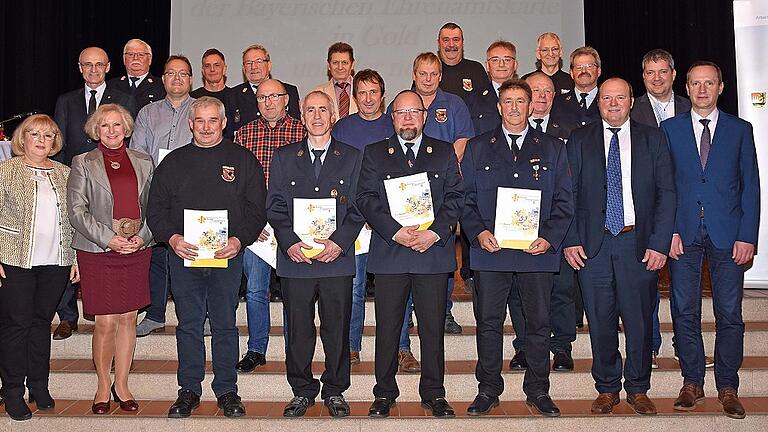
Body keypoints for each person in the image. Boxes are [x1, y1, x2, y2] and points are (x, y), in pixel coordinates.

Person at [147, 96, 267, 418]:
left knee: (225, 323)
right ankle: (189, 390)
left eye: (212, 120)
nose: (206, 127)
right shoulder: (173, 162)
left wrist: (240, 240)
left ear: (223, 123)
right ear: (191, 123)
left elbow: (257, 209)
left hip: (227, 257)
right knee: (188, 324)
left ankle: (227, 390)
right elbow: (155, 209)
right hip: (184, 257)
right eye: (199, 121)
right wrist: (171, 238)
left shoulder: (242, 160)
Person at [564, 78, 676, 415]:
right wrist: (570, 239)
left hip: (637, 243)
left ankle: (638, 388)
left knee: (639, 318)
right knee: (599, 318)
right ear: (598, 102)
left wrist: (659, 243)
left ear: (631, 102)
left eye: (620, 98)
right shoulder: (579, 139)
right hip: (592, 246)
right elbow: (566, 193)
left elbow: (666, 193)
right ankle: (608, 387)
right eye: (607, 98)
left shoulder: (652, 138)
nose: (613, 104)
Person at [461, 78, 573, 417]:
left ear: (532, 106)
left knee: (538, 324)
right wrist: (478, 232)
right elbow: (464, 199)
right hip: (489, 251)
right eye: (507, 101)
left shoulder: (553, 147)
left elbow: (565, 201)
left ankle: (538, 390)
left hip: (536, 252)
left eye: (520, 101)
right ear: (499, 106)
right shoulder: (478, 147)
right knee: (489, 323)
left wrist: (550, 238)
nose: (513, 107)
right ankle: (489, 389)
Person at [662, 61, 760, 420]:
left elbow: (751, 186)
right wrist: (667, 231)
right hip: (682, 234)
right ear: (686, 88)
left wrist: (747, 235)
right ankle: (692, 382)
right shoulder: (669, 130)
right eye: (695, 83)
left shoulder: (740, 129)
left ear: (721, 87)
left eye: (709, 83)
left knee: (729, 313)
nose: (702, 90)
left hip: (728, 234)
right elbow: (663, 187)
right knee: (684, 310)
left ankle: (728, 386)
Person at [358, 90, 464, 419]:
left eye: (413, 112)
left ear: (424, 116)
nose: (407, 118)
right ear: (392, 118)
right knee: (388, 328)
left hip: (432, 252)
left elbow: (456, 197)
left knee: (432, 328)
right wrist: (395, 231)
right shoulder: (376, 153)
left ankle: (434, 393)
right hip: (391, 252)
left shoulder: (444, 152)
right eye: (401, 112)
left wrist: (434, 233)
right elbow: (365, 198)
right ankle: (384, 393)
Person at [268, 91, 364, 417]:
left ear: (333, 115)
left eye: (323, 109)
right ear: (302, 115)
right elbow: (275, 205)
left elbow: (360, 205)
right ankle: (302, 390)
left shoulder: (352, 156)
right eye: (311, 110)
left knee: (337, 328)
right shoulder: (283, 157)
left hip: (336, 259)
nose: (317, 115)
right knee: (298, 329)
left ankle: (335, 390)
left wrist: (339, 241)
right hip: (296, 260)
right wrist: (289, 241)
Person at [67, 103, 154, 414]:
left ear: (126, 128)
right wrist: (110, 239)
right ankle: (103, 386)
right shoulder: (82, 162)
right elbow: (77, 211)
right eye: (105, 126)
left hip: (136, 248)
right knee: (105, 322)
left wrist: (141, 238)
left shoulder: (144, 161)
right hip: (99, 249)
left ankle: (123, 384)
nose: (112, 130)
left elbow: (154, 207)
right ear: (96, 130)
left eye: (117, 125)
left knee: (129, 318)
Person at [52, 46, 135, 340]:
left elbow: (130, 144)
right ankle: (67, 315)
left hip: (113, 188)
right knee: (70, 247)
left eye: (99, 65)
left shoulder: (124, 100)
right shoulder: (66, 101)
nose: (93, 70)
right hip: (75, 182)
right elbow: (58, 146)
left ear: (108, 67)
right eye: (87, 65)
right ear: (79, 67)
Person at [0, 114, 79, 420]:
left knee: (40, 322)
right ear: (23, 138)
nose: (41, 140)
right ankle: (13, 391)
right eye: (35, 134)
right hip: (15, 260)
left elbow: (74, 221)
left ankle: (39, 385)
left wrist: (74, 259)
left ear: (55, 141)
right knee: (16, 326)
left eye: (48, 136)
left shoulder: (64, 172)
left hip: (55, 262)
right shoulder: (6, 171)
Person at [391, 52, 474, 336]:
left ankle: (444, 309)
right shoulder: (401, 102)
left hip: (441, 189)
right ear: (414, 74)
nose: (428, 79)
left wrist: (442, 163)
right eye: (422, 74)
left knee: (441, 247)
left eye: (433, 74)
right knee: (407, 250)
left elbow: (462, 139)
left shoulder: (455, 103)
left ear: (440, 76)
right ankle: (409, 310)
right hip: (406, 193)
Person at [506, 72, 579, 373]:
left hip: (554, 227)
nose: (542, 96)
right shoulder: (507, 133)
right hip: (514, 228)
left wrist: (560, 231)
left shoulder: (570, 132)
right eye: (535, 91)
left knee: (561, 289)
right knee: (518, 291)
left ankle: (561, 345)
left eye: (548, 91)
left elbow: (572, 185)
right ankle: (524, 345)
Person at [630, 49, 696, 369]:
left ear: (673, 73)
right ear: (643, 77)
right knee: (647, 286)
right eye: (650, 73)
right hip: (646, 210)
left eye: (662, 71)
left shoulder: (691, 105)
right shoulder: (632, 110)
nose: (657, 78)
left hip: (686, 209)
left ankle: (686, 348)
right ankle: (650, 346)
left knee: (685, 287)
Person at [234, 79, 305, 372]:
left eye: (274, 96)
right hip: (257, 228)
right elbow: (236, 184)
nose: (268, 102)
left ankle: (294, 348)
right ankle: (256, 348)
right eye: (262, 98)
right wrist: (250, 221)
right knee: (255, 289)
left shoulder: (302, 131)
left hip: (294, 227)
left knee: (293, 290)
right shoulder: (244, 134)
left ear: (286, 99)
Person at [332, 69, 394, 366]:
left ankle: (402, 347)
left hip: (389, 220)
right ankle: (352, 345)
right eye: (362, 93)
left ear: (383, 95)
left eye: (374, 92)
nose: (368, 98)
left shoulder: (394, 124)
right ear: (354, 98)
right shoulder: (342, 128)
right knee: (355, 287)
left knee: (394, 287)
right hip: (354, 219)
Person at [131, 55, 196, 338]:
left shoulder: (202, 109)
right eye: (171, 73)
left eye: (183, 73)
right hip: (156, 189)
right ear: (163, 78)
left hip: (192, 191)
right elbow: (139, 153)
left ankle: (196, 316)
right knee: (157, 254)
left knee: (192, 256)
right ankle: (155, 313)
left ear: (191, 79)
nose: (177, 78)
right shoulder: (147, 112)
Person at [227, 44, 301, 134]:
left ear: (269, 65)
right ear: (243, 68)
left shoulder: (289, 91)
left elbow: (297, 127)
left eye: (258, 61)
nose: (253, 67)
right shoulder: (233, 95)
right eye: (248, 63)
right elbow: (229, 133)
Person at [466, 40, 519, 137]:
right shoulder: (473, 98)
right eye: (495, 60)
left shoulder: (527, 95)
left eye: (507, 60)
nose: (501, 64)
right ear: (487, 66)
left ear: (515, 65)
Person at [436, 22, 491, 105]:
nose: (451, 45)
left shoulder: (476, 69)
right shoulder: (429, 72)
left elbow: (487, 104)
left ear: (462, 43)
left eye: (456, 40)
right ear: (438, 43)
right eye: (446, 40)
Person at [551, 46, 602, 129]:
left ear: (598, 71)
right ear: (571, 73)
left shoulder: (608, 101)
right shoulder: (557, 103)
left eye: (589, 66)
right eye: (579, 67)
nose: (584, 71)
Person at [107, 38, 166, 110]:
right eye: (130, 54)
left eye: (141, 55)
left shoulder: (161, 87)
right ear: (124, 59)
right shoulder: (111, 86)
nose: (135, 58)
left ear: (150, 59)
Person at [312, 42, 357, 120]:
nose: (340, 67)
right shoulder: (317, 92)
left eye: (344, 63)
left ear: (352, 65)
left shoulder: (363, 91)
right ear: (329, 65)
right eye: (335, 63)